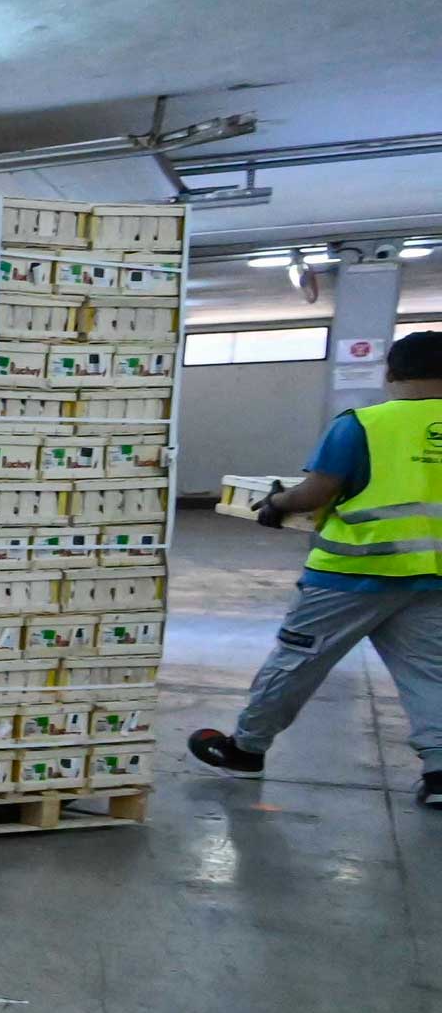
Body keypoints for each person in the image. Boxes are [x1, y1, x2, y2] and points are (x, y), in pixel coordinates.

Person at [190, 328, 442, 804]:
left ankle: (246, 749)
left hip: (350, 576)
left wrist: (276, 504)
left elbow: (316, 494)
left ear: (392, 372)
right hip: (432, 578)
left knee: (297, 664)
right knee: (432, 673)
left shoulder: (364, 425)